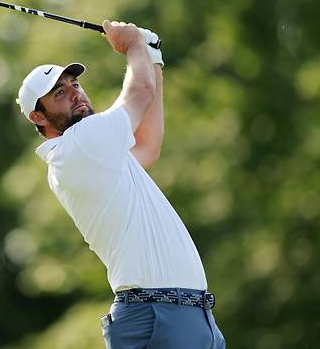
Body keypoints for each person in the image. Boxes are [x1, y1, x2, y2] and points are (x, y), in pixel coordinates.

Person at [16, 21, 225, 348]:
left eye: (74, 85)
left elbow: (148, 145)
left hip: (187, 317)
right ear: (38, 117)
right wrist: (132, 45)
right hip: (157, 316)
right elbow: (140, 92)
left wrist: (152, 57)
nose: (75, 94)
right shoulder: (79, 144)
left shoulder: (97, 153)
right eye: (60, 93)